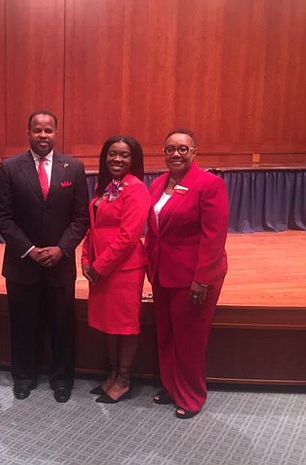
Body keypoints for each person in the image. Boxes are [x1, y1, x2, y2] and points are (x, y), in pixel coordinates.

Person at [0, 110, 90, 403]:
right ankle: (23, 377)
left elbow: (81, 217)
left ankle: (61, 379)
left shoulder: (72, 167)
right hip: (22, 263)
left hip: (60, 264)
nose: (43, 135)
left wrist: (61, 248)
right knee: (22, 324)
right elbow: (3, 216)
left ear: (56, 133)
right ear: (28, 133)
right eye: (37, 130)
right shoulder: (9, 168)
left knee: (62, 325)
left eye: (48, 130)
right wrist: (30, 250)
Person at [145, 128, 229, 419]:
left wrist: (202, 279)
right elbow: (154, 232)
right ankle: (171, 386)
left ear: (194, 152)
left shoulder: (209, 184)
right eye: (170, 149)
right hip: (162, 274)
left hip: (193, 278)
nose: (176, 154)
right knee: (166, 334)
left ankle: (191, 395)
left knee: (190, 340)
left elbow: (214, 237)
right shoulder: (157, 184)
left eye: (183, 148)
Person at [81, 136, 150, 403]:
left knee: (124, 325)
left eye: (124, 155)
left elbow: (128, 236)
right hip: (101, 268)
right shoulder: (108, 186)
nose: (117, 159)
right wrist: (86, 259)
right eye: (112, 154)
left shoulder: (136, 189)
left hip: (124, 270)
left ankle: (123, 379)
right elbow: (93, 226)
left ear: (134, 160)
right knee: (108, 324)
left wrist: (99, 266)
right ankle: (111, 374)